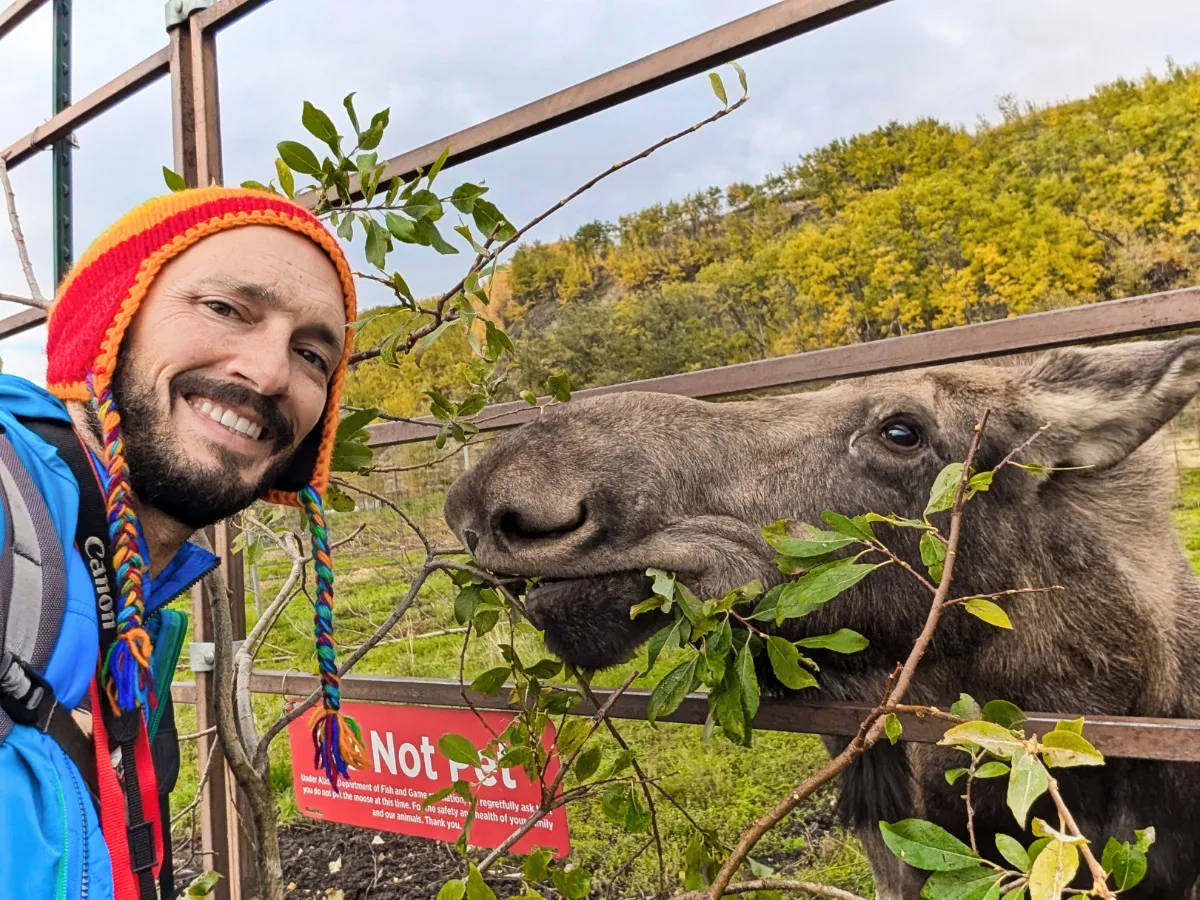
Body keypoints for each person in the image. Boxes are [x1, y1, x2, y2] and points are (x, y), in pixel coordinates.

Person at [0, 186, 366, 900]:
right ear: (111, 326)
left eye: (312, 355)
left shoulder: (128, 629)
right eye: (226, 310)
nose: (269, 374)